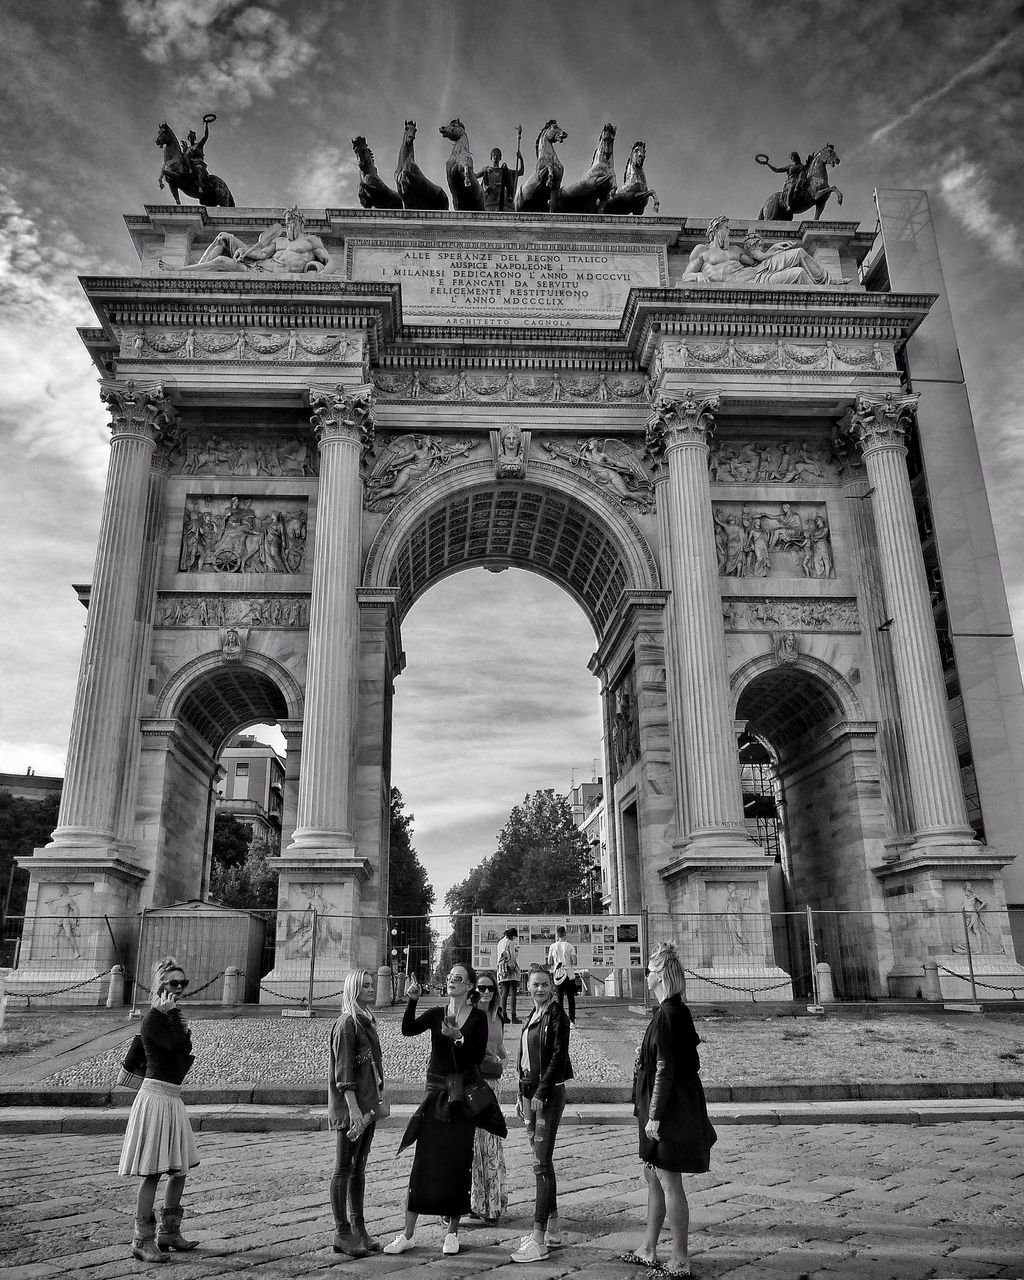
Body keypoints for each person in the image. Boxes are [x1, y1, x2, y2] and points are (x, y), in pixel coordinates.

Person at [384, 962, 493, 1257]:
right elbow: (407, 1029)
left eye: (458, 978)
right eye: (449, 978)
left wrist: (458, 1037)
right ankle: (407, 1233)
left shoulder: (479, 1018)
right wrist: (412, 999)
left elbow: (476, 1055)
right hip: (435, 1094)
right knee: (423, 1161)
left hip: (462, 1095)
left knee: (459, 1161)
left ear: (470, 985)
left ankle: (451, 1232)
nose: (451, 982)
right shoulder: (435, 1013)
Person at [623, 942, 717, 1277]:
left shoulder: (667, 1015)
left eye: (649, 970)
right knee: (654, 1174)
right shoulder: (676, 1011)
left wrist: (654, 1116)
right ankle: (649, 1247)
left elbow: (664, 1068)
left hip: (667, 1106)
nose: (645, 974)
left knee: (667, 1178)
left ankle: (679, 1258)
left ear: (660, 974)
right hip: (671, 1100)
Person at [118, 956, 199, 1263]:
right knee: (152, 1172)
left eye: (183, 983)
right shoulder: (153, 1018)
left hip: (173, 1098)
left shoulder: (170, 1016)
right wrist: (175, 1015)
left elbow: (184, 1050)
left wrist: (177, 1018)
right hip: (154, 1098)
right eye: (173, 983)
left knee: (180, 1169)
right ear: (161, 985)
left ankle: (169, 1231)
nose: (179, 989)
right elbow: (179, 1047)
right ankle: (141, 1238)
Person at [510, 964, 573, 1264]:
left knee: (540, 1163)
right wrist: (520, 1094)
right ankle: (554, 1229)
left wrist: (540, 1093)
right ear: (527, 985)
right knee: (544, 1161)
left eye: (544, 984)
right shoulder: (532, 1015)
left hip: (546, 1096)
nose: (539, 989)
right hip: (530, 1095)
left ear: (552, 985)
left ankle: (538, 1239)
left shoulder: (556, 1014)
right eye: (535, 984)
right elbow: (523, 1058)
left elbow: (559, 1056)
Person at [328, 969, 387, 1258]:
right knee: (343, 1168)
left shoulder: (365, 1020)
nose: (371, 989)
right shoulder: (346, 1024)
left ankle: (358, 1228)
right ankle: (342, 1232)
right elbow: (343, 1073)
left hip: (366, 1107)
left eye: (372, 984)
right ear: (353, 989)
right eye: (365, 986)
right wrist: (353, 1110)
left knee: (359, 1168)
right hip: (352, 1108)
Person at [179, 205, 333, 274]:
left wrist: (321, 276)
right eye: (286, 222)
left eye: (292, 221)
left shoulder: (311, 241)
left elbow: (330, 262)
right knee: (223, 238)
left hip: (279, 275)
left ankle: (187, 272)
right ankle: (188, 273)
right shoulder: (279, 241)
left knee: (221, 260)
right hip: (260, 269)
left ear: (301, 222)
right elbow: (261, 254)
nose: (288, 225)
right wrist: (242, 250)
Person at [470, 970, 508, 1224]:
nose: (485, 993)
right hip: (474, 1083)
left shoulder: (497, 1016)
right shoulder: (470, 1015)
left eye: (490, 989)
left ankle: (492, 1204)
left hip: (493, 1082)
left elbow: (500, 1045)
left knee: (491, 1143)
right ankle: (474, 1202)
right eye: (481, 988)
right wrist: (490, 1058)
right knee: (473, 1146)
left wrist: (503, 1058)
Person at [476, 146, 524, 211]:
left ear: (500, 158)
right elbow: (475, 176)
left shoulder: (505, 171)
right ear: (491, 157)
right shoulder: (486, 170)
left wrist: (520, 158)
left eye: (497, 155)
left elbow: (521, 172)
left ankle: (510, 198)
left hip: (503, 196)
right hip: (489, 194)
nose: (495, 157)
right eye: (494, 155)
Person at [547, 925, 578, 1025]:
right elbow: (575, 961)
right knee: (571, 998)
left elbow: (549, 961)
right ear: (565, 934)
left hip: (557, 974)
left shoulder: (552, 946)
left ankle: (560, 1020)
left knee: (559, 998)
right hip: (568, 974)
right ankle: (572, 1020)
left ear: (557, 935)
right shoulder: (570, 946)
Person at [496, 926, 521, 1022]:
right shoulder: (511, 943)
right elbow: (513, 956)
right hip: (510, 969)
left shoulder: (500, 943)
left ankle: (504, 1015)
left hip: (501, 969)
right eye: (515, 937)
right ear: (512, 936)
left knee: (504, 993)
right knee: (513, 993)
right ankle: (514, 1016)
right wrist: (517, 951)